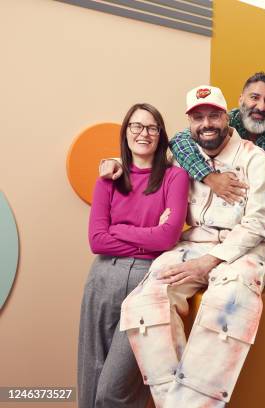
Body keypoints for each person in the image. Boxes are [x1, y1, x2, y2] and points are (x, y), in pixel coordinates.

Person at [118, 85, 265, 408]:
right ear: (189, 123)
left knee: (227, 299)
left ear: (226, 116)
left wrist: (210, 262)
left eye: (214, 116)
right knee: (145, 298)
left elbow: (256, 225)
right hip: (193, 243)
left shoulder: (256, 160)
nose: (207, 124)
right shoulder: (182, 156)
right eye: (198, 118)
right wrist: (113, 163)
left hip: (245, 250)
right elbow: (142, 162)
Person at [78, 103, 189, 407]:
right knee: (91, 379)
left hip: (147, 281)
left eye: (152, 127)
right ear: (126, 132)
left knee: (115, 391)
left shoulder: (174, 177)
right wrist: (148, 235)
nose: (144, 133)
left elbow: (167, 238)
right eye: (136, 126)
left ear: (161, 134)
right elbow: (97, 241)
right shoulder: (108, 179)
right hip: (102, 278)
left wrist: (119, 229)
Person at [100, 72, 265, 203]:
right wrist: (210, 178)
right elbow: (179, 141)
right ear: (240, 100)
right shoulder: (225, 120)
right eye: (254, 97)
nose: (261, 106)